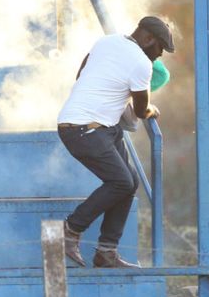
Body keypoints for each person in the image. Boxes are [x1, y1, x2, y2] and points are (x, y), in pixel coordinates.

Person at [57, 16, 175, 268]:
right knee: (121, 182)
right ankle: (70, 230)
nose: (161, 55)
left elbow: (82, 72)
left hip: (99, 126)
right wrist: (153, 110)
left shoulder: (107, 41)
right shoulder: (142, 63)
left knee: (130, 182)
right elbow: (142, 111)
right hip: (83, 129)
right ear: (147, 38)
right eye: (160, 48)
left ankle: (106, 252)